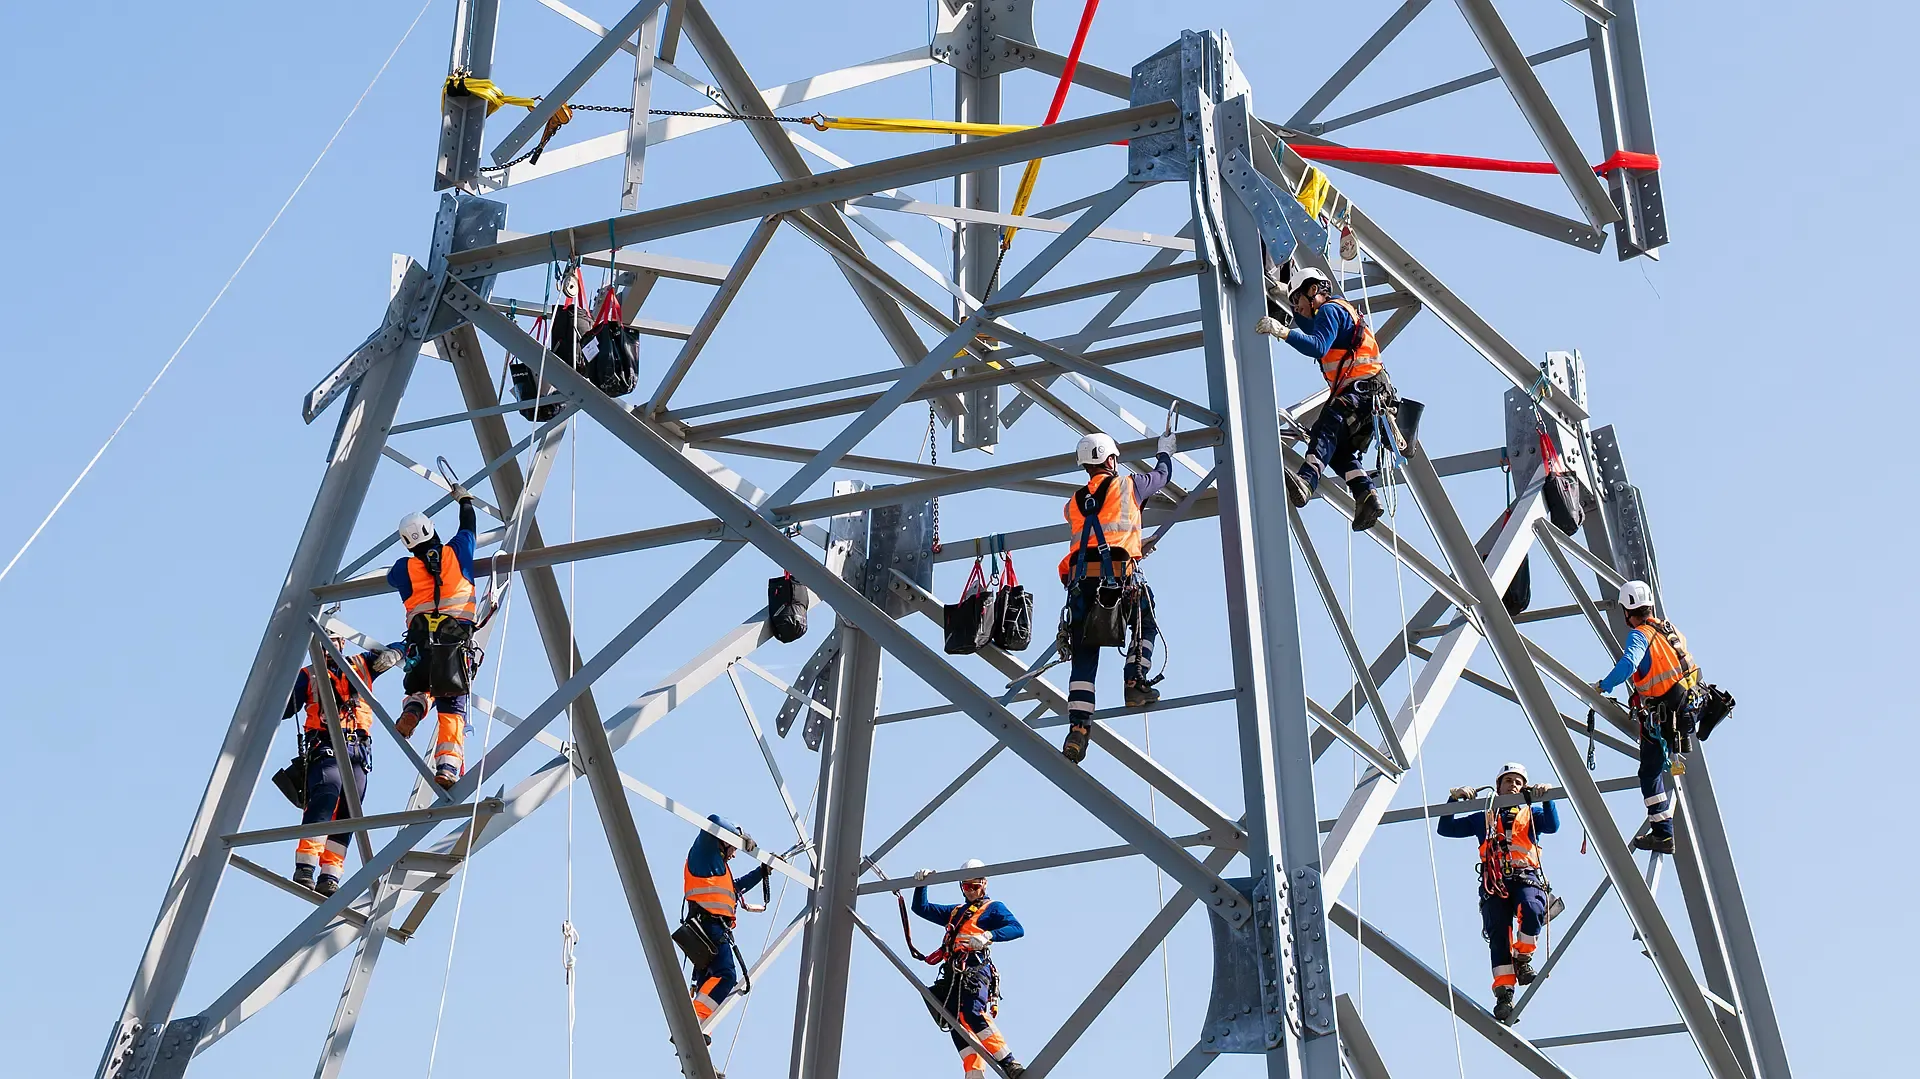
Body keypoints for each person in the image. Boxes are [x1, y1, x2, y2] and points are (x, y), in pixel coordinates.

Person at [1056, 428, 1177, 764]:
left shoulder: (1073, 504)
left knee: (1084, 653)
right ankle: (1134, 682)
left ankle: (1078, 728)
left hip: (1082, 584)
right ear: (1111, 460)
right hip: (1120, 580)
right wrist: (1165, 451)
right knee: (1145, 624)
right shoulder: (1129, 485)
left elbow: (1100, 530)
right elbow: (1162, 476)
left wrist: (1134, 544)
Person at [1257, 262, 1391, 531]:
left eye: (1297, 300)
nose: (1296, 308)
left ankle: (1307, 481)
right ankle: (1365, 495)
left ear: (1313, 291)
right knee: (1338, 450)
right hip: (1371, 396)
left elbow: (1317, 345)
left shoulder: (1330, 310)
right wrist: (1283, 294)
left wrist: (1283, 331)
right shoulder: (1337, 311)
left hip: (1363, 392)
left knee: (1326, 426)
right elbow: (1309, 325)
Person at [1438, 763, 1560, 1023]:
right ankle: (1504, 994)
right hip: (1494, 884)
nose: (1513, 785)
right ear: (1499, 786)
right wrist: (1454, 799)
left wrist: (1547, 797)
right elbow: (1445, 829)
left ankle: (1523, 957)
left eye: (1518, 782)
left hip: (1525, 877)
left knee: (1532, 908)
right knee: (1498, 937)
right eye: (1508, 781)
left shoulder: (1531, 814)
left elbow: (1552, 825)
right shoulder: (1483, 817)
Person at [284, 636, 401, 895]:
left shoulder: (361, 665)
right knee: (327, 794)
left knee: (350, 810)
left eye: (335, 639)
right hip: (325, 744)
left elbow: (402, 647)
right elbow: (284, 709)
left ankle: (330, 874)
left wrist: (396, 653)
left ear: (342, 643)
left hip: (358, 750)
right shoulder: (308, 675)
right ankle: (305, 866)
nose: (330, 645)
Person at [1593, 579, 1701, 856]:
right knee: (1656, 768)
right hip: (1687, 708)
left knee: (1649, 773)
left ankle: (1663, 833)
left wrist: (1605, 685)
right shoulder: (1671, 630)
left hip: (1665, 715)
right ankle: (1663, 831)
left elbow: (1629, 663)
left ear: (1627, 612)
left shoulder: (1639, 635)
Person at [388, 487, 480, 788]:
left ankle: (413, 711)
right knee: (451, 704)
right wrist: (465, 501)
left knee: (421, 687)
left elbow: (392, 578)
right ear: (432, 529)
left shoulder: (403, 569)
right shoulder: (458, 552)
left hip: (420, 646)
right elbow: (468, 526)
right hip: (453, 646)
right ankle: (447, 768)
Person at [912, 860, 1026, 1078]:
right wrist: (921, 885)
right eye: (966, 886)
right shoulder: (956, 912)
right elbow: (921, 908)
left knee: (973, 1013)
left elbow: (1016, 928)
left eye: (975, 886)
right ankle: (974, 1074)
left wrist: (988, 935)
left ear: (984, 884)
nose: (971, 891)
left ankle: (1009, 1062)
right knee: (956, 1021)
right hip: (953, 972)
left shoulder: (993, 908)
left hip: (975, 968)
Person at [683, 815, 769, 1025]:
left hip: (708, 930)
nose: (734, 855)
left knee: (708, 983)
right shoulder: (703, 856)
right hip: (708, 926)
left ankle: (700, 1027)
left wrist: (762, 872)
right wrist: (740, 834)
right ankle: (695, 1018)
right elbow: (713, 820)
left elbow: (736, 887)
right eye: (734, 848)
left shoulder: (717, 869)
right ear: (724, 841)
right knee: (726, 975)